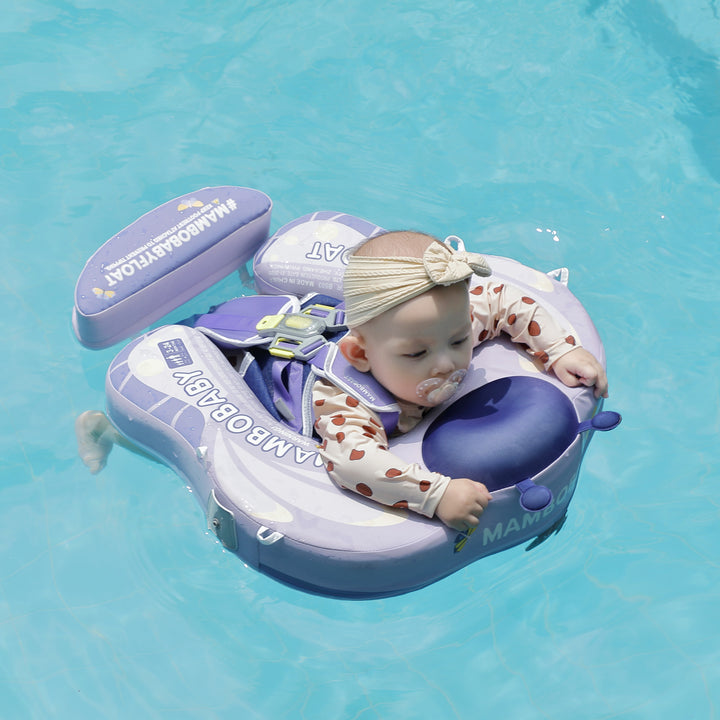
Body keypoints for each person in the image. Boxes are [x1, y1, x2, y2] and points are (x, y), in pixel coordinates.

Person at [311, 231, 608, 532]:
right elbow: (351, 462)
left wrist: (558, 349)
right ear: (361, 354)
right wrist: (433, 493)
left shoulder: (443, 327)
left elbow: (501, 299)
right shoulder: (347, 401)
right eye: (416, 354)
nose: (445, 363)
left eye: (459, 341)